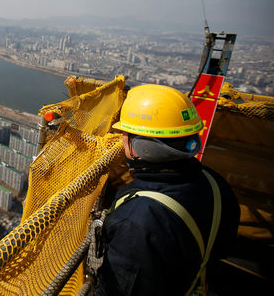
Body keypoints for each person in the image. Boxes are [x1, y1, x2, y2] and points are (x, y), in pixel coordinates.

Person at [96, 84, 239, 296]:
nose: (121, 139)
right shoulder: (216, 184)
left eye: (126, 134)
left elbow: (117, 289)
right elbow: (223, 247)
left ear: (144, 146)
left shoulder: (137, 219)